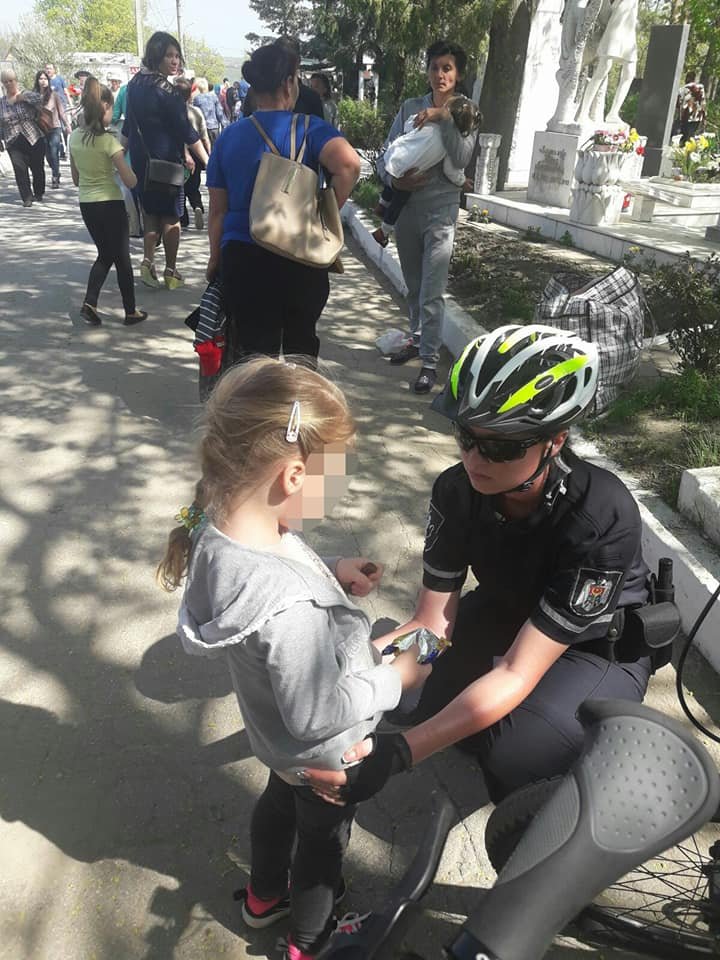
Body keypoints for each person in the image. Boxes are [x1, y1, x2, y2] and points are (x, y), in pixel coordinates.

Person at [305, 326, 664, 811]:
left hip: (597, 646)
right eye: (466, 437)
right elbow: (430, 625)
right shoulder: (456, 491)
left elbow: (517, 670)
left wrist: (399, 755)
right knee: (403, 700)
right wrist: (344, 671)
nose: (476, 459)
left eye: (501, 447)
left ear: (554, 441)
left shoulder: (602, 513)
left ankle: (568, 781)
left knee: (515, 754)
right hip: (507, 615)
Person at [158, 358, 429, 960]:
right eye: (336, 480)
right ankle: (312, 942)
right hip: (326, 751)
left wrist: (328, 568)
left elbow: (275, 554)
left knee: (278, 803)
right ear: (294, 474)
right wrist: (395, 678)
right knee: (323, 845)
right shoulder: (289, 608)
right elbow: (317, 713)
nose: (340, 493)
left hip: (274, 740)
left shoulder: (213, 524)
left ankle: (261, 899)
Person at [205, 40, 360, 364]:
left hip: (243, 257)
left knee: (253, 356)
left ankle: (259, 414)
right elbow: (349, 165)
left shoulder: (228, 138)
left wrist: (215, 259)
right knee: (301, 349)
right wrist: (323, 214)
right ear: (289, 82)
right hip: (300, 254)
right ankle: (300, 411)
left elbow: (218, 211)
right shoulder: (310, 129)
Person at [378, 40, 476, 395]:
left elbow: (462, 157)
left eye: (447, 68)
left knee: (432, 292)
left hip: (441, 213)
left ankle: (430, 364)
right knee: (415, 287)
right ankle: (418, 340)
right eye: (435, 67)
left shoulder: (466, 111)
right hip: (407, 212)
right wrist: (394, 179)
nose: (440, 75)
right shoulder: (410, 107)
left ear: (458, 74)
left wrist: (445, 116)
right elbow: (385, 156)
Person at [122, 31, 209, 290]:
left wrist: (117, 155)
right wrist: (208, 161)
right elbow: (186, 130)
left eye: (177, 55)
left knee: (150, 212)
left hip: (141, 161)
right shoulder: (167, 91)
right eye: (169, 55)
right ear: (156, 55)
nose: (175, 61)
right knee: (171, 216)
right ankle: (171, 271)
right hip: (167, 164)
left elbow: (129, 125)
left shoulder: (134, 85)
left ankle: (148, 263)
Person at [69, 78, 147, 327]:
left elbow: (75, 178)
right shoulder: (109, 142)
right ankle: (130, 311)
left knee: (105, 254)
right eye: (111, 108)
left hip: (87, 204)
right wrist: (134, 174)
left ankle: (89, 304)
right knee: (122, 258)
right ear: (103, 108)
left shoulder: (74, 138)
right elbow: (130, 181)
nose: (113, 114)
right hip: (110, 204)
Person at [372, 95, 480, 247]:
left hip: (396, 152)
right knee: (401, 195)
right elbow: (450, 171)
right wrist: (462, 182)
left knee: (395, 179)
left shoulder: (429, 124)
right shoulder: (448, 143)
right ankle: (383, 231)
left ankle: (382, 205)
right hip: (410, 170)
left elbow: (409, 125)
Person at [0, 68, 46, 207]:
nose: (9, 84)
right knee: (19, 169)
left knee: (37, 168)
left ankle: (38, 192)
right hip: (13, 140)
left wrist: (23, 98)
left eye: (11, 81)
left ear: (16, 81)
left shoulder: (26, 94)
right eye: (6, 82)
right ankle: (26, 197)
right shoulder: (1, 102)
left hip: (33, 137)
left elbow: (40, 99)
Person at [175, 77, 210, 230]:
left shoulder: (174, 113)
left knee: (179, 187)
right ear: (190, 95)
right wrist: (209, 153)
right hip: (197, 152)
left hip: (179, 153)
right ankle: (197, 206)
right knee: (193, 186)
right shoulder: (196, 112)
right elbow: (204, 136)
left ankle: (183, 219)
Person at [34, 69, 71, 188]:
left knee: (54, 151)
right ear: (37, 80)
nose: (43, 81)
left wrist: (67, 125)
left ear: (48, 81)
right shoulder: (34, 95)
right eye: (41, 79)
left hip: (55, 127)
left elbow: (61, 112)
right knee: (47, 155)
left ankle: (55, 176)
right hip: (41, 128)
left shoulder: (53, 95)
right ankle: (56, 170)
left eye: (45, 79)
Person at [192, 77, 225, 145]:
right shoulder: (214, 97)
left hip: (203, 128)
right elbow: (219, 113)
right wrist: (224, 124)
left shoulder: (196, 99)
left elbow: (196, 115)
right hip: (214, 127)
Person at [677, 71, 707, 145]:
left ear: (687, 78)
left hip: (685, 117)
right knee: (692, 138)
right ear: (694, 78)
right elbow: (703, 103)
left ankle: (682, 152)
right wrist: (704, 118)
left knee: (684, 137)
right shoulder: (700, 88)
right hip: (697, 117)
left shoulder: (682, 89)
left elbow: (678, 104)